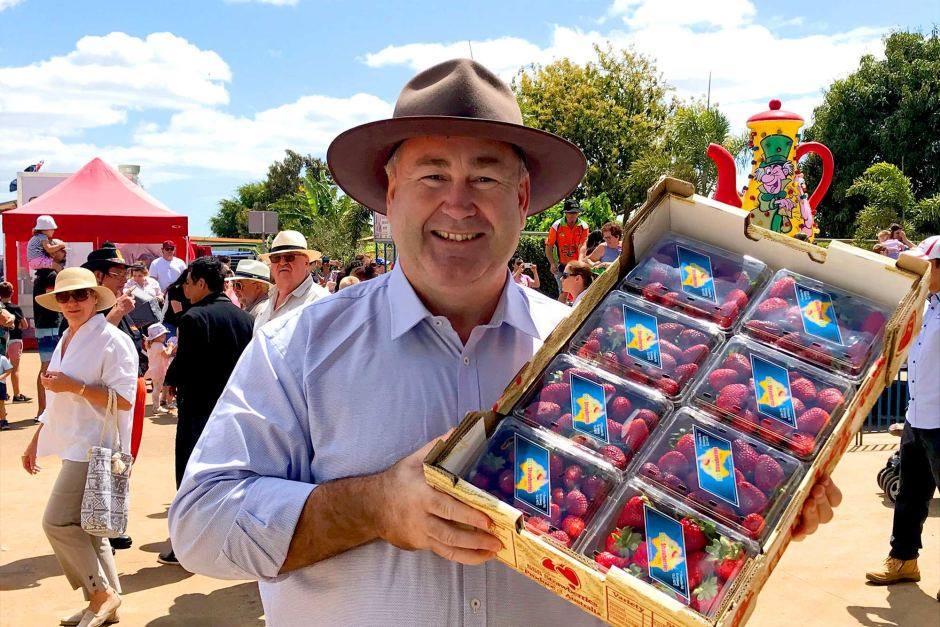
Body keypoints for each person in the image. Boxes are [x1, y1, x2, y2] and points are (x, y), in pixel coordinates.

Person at [168, 58, 839, 624]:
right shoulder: (299, 347)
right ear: (390, 193)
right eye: (432, 174)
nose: (458, 204)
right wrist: (373, 506)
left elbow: (653, 514)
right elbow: (200, 525)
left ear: (522, 198)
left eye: (485, 176)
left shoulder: (599, 347)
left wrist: (763, 497)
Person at [21, 267, 137, 627]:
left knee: (57, 522)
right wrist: (35, 440)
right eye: (64, 297)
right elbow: (57, 402)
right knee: (92, 529)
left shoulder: (112, 340)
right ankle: (103, 605)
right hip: (73, 442)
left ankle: (101, 594)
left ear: (95, 298)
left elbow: (127, 401)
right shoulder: (68, 337)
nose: (72, 302)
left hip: (94, 446)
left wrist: (77, 387)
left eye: (80, 295)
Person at [160, 256, 253, 566]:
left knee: (190, 475)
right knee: (232, 477)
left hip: (199, 410)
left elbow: (186, 367)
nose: (185, 289)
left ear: (201, 284)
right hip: (235, 411)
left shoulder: (193, 318)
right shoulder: (245, 319)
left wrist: (171, 380)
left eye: (188, 282)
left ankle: (185, 545)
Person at [866, 234, 940, 602]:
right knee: (910, 495)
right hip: (918, 414)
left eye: (925, 266)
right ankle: (904, 560)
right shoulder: (925, 305)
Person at [254, 230, 328, 329]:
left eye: (289, 257)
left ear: (306, 262)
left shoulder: (321, 302)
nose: (282, 262)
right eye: (276, 258)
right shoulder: (268, 301)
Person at [33, 269, 62, 420]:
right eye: (60, 250)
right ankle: (43, 410)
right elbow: (53, 300)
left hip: (45, 327)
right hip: (50, 327)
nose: (64, 253)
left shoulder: (40, 276)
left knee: (47, 367)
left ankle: (43, 409)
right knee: (48, 368)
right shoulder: (51, 275)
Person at [545, 197, 589, 294]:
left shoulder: (584, 226)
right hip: (561, 265)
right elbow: (549, 246)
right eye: (571, 213)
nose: (573, 215)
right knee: (564, 292)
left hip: (575, 266)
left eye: (575, 213)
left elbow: (583, 245)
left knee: (578, 292)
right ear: (565, 213)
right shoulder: (556, 226)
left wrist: (580, 262)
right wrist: (552, 263)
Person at [0, 281, 32, 403]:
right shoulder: (15, 308)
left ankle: (3, 394)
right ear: (12, 292)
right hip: (14, 340)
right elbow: (25, 325)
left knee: (1, 368)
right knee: (15, 368)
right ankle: (17, 394)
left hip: (2, 340)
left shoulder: (1, 308)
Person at [143, 323, 172, 415]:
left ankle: (156, 406)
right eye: (162, 334)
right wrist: (170, 347)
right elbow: (167, 355)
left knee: (156, 388)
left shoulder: (150, 344)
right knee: (157, 389)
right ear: (157, 336)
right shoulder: (159, 345)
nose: (164, 336)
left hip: (154, 369)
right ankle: (156, 407)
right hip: (159, 370)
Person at [0, 354, 12, 430]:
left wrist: (1, 377)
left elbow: (9, 370)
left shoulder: (3, 358)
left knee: (1, 403)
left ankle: (3, 420)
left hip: (0, 384)